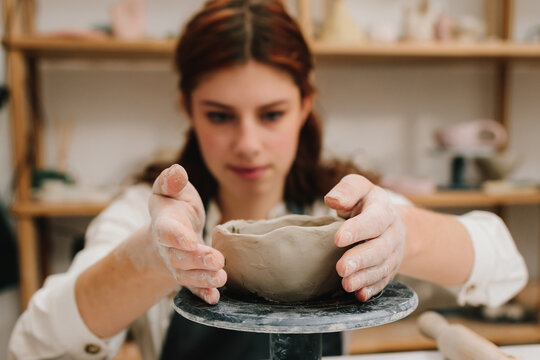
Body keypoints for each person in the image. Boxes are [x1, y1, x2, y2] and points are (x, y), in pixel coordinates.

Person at [9, 0, 527, 359]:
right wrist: (151, 255)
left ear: (304, 106)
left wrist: (402, 235)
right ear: (188, 108)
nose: (248, 143)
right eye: (220, 115)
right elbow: (33, 345)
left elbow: (507, 268)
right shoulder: (147, 212)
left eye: (272, 114)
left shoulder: (341, 206)